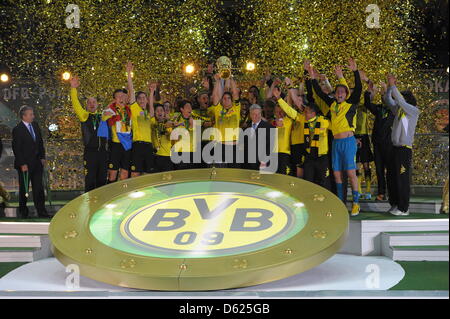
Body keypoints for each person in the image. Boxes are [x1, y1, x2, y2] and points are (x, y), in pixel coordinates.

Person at [310, 58, 362, 216]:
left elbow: (358, 88)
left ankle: (356, 204)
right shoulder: (332, 105)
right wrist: (312, 78)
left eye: (342, 92)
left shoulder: (351, 104)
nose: (339, 94)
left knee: (351, 173)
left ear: (346, 94)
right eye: (337, 92)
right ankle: (341, 204)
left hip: (348, 142)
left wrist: (354, 71)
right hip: (336, 144)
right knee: (337, 173)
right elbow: (319, 92)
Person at [384, 74, 420, 216]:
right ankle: (395, 204)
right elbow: (388, 100)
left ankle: (404, 208)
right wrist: (389, 87)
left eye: (402, 99)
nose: (399, 102)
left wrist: (393, 86)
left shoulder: (413, 111)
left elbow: (399, 100)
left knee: (402, 179)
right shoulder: (399, 110)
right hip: (394, 148)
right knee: (392, 177)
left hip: (405, 150)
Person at [69, 76, 108, 192]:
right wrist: (73, 89)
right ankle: (90, 205)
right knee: (90, 180)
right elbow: (75, 104)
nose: (91, 104)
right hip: (90, 153)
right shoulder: (84, 115)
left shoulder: (104, 116)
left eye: (94, 102)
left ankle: (101, 204)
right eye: (89, 102)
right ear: (86, 105)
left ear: (97, 104)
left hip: (103, 153)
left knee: (102, 180)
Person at [12, 106, 50, 218]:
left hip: (37, 164)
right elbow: (16, 148)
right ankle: (23, 212)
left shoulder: (35, 125)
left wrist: (42, 157)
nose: (33, 116)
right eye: (31, 114)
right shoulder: (17, 129)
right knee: (24, 189)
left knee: (38, 189)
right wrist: (22, 164)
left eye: (33, 114)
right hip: (25, 165)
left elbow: (40, 142)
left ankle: (41, 212)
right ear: (24, 116)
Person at [364, 79, 395, 202]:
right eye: (382, 95)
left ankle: (392, 193)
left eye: (385, 95)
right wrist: (369, 90)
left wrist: (387, 89)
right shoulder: (379, 109)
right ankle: (381, 193)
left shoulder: (394, 110)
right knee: (379, 169)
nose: (383, 97)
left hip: (390, 144)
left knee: (390, 170)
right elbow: (367, 103)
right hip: (377, 144)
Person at [126, 61, 155, 177]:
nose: (142, 100)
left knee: (148, 174)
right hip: (137, 145)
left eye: (144, 98)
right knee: (135, 173)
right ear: (137, 101)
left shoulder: (149, 114)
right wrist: (129, 73)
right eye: (140, 98)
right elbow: (131, 91)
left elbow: (151, 106)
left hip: (148, 146)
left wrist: (152, 92)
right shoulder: (135, 110)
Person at [209, 74, 241, 168]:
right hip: (220, 146)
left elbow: (235, 93)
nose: (226, 100)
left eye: (228, 98)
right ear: (221, 101)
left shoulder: (236, 109)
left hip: (234, 147)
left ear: (232, 100)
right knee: (220, 173)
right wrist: (218, 81)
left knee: (234, 173)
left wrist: (230, 78)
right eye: (224, 98)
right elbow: (215, 96)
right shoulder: (218, 110)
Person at [102, 88, 132, 182]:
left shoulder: (129, 109)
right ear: (114, 99)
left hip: (127, 145)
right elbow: (103, 117)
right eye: (118, 96)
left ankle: (123, 193)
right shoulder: (112, 109)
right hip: (116, 144)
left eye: (122, 96)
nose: (121, 98)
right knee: (112, 173)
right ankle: (111, 193)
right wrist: (108, 113)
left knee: (125, 172)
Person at [355, 71, 375, 200]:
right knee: (356, 165)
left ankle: (367, 190)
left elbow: (372, 90)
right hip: (353, 137)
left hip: (364, 136)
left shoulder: (363, 105)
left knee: (366, 165)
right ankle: (357, 191)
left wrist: (367, 80)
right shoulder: (348, 106)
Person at [243, 104, 274, 170]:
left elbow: (270, 146)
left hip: (261, 163)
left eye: (259, 114)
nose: (257, 116)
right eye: (254, 114)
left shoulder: (268, 127)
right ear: (250, 115)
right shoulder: (245, 127)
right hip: (247, 164)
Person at [151, 104, 175, 172]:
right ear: (154, 113)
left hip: (167, 156)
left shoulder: (168, 124)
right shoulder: (152, 123)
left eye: (161, 110)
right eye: (157, 111)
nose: (159, 112)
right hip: (155, 156)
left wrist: (167, 131)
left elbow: (170, 138)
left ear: (164, 113)